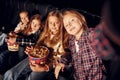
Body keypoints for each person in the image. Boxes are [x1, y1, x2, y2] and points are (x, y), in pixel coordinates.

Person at [4, 10, 73, 80]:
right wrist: (33, 50)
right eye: (51, 23)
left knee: (31, 77)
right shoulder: (45, 33)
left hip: (49, 64)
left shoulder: (65, 38)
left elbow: (62, 59)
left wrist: (45, 67)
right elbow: (38, 47)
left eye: (57, 23)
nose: (53, 25)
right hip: (36, 59)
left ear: (61, 23)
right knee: (10, 73)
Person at [62, 9, 106, 80]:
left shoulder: (90, 34)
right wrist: (62, 62)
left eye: (72, 20)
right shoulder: (72, 41)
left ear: (81, 20)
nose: (69, 25)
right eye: (66, 25)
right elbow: (69, 54)